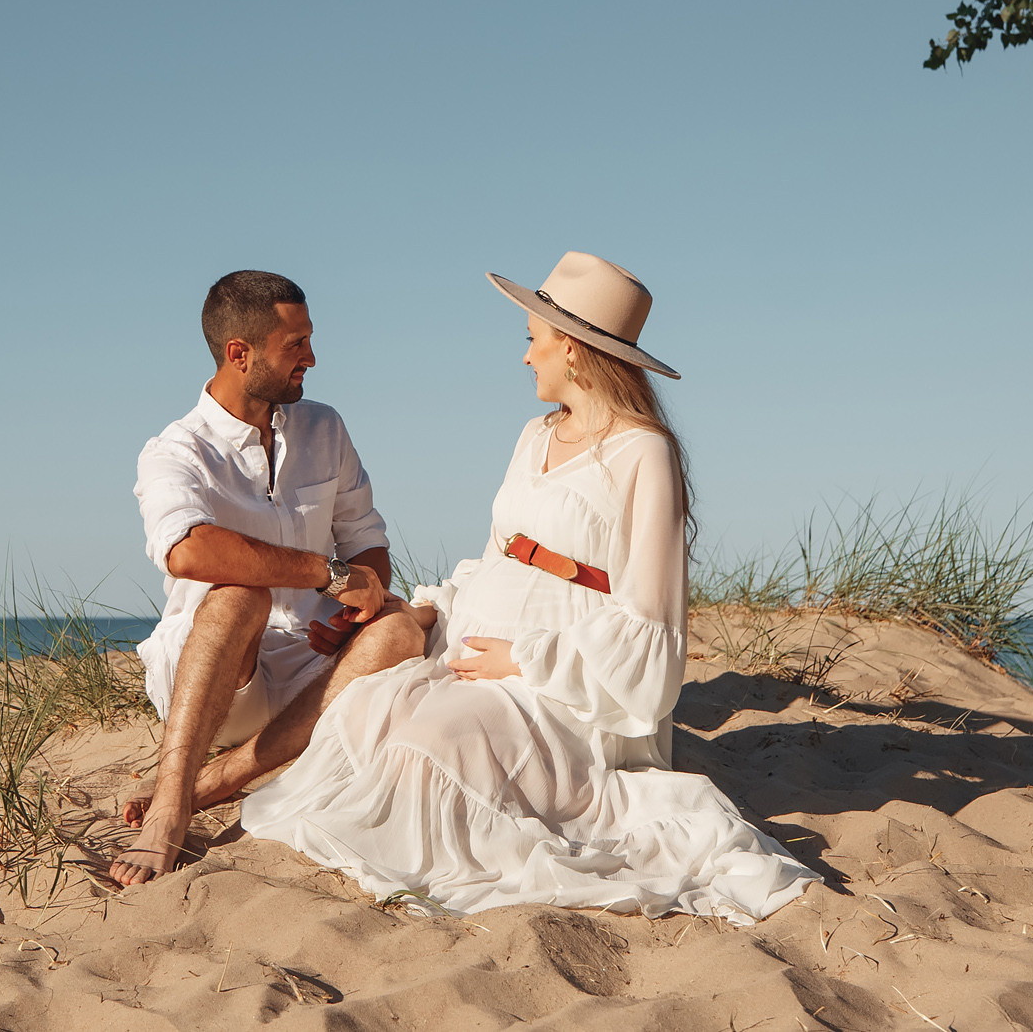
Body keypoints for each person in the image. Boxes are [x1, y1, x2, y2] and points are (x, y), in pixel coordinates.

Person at [240, 253, 818, 924]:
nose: (525, 358)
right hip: (477, 645)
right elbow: (497, 557)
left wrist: (527, 659)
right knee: (369, 717)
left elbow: (652, 627)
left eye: (531, 340)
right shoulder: (530, 437)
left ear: (570, 348)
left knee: (430, 749)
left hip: (565, 681)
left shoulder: (643, 452)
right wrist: (434, 608)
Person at [114, 270, 428, 886]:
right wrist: (325, 574)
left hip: (311, 672)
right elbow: (186, 550)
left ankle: (213, 782)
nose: (311, 357)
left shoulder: (325, 428)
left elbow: (365, 537)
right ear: (240, 353)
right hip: (217, 677)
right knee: (237, 595)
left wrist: (352, 610)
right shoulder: (176, 450)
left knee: (398, 630)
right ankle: (171, 810)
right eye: (296, 345)